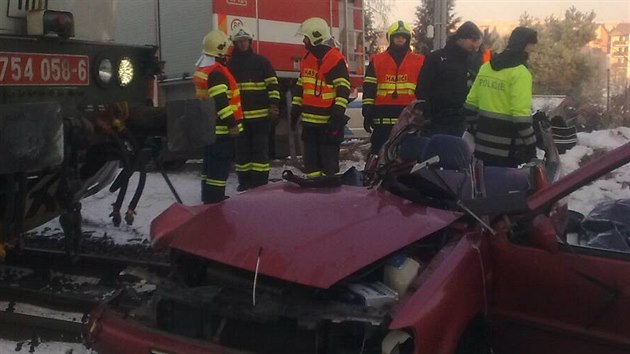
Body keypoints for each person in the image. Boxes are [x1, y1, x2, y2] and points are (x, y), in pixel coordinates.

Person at [464, 27, 539, 167]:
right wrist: (531, 149)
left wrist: (477, 130)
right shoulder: (520, 73)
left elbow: (469, 107)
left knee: (482, 187)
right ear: (525, 45)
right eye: (533, 46)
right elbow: (521, 118)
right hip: (507, 152)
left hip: (481, 149)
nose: (533, 50)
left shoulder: (486, 68)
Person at [290, 17, 350, 177]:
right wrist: (295, 111)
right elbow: (301, 88)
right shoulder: (307, 59)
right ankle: (313, 196)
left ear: (315, 37)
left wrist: (337, 114)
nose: (304, 41)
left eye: (306, 37)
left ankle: (329, 199)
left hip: (328, 124)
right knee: (312, 169)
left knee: (329, 168)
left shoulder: (335, 60)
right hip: (310, 124)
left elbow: (343, 89)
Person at [227, 25, 280, 191]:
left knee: (260, 152)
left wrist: (274, 105)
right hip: (240, 117)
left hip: (260, 117)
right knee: (242, 153)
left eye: (245, 41)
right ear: (235, 44)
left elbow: (273, 85)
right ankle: (244, 183)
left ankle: (260, 184)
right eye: (239, 41)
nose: (243, 44)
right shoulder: (230, 66)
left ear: (250, 42)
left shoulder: (261, 62)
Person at [193, 30, 243, 203]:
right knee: (219, 168)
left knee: (210, 167)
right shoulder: (217, 73)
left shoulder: (205, 69)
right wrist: (232, 124)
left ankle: (209, 197)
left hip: (210, 129)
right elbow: (221, 101)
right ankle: (215, 200)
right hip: (221, 131)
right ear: (220, 51)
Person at [362, 21, 425, 155]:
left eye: (403, 36)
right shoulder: (377, 60)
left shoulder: (420, 60)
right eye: (397, 36)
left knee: (406, 156)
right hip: (382, 119)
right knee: (379, 155)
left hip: (409, 117)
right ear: (390, 38)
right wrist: (367, 112)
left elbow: (425, 89)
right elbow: (369, 87)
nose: (400, 39)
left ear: (408, 38)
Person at [416, 21, 482, 137]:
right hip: (437, 122)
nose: (475, 48)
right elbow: (422, 88)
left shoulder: (473, 62)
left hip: (463, 122)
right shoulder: (437, 58)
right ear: (462, 38)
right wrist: (428, 114)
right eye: (473, 42)